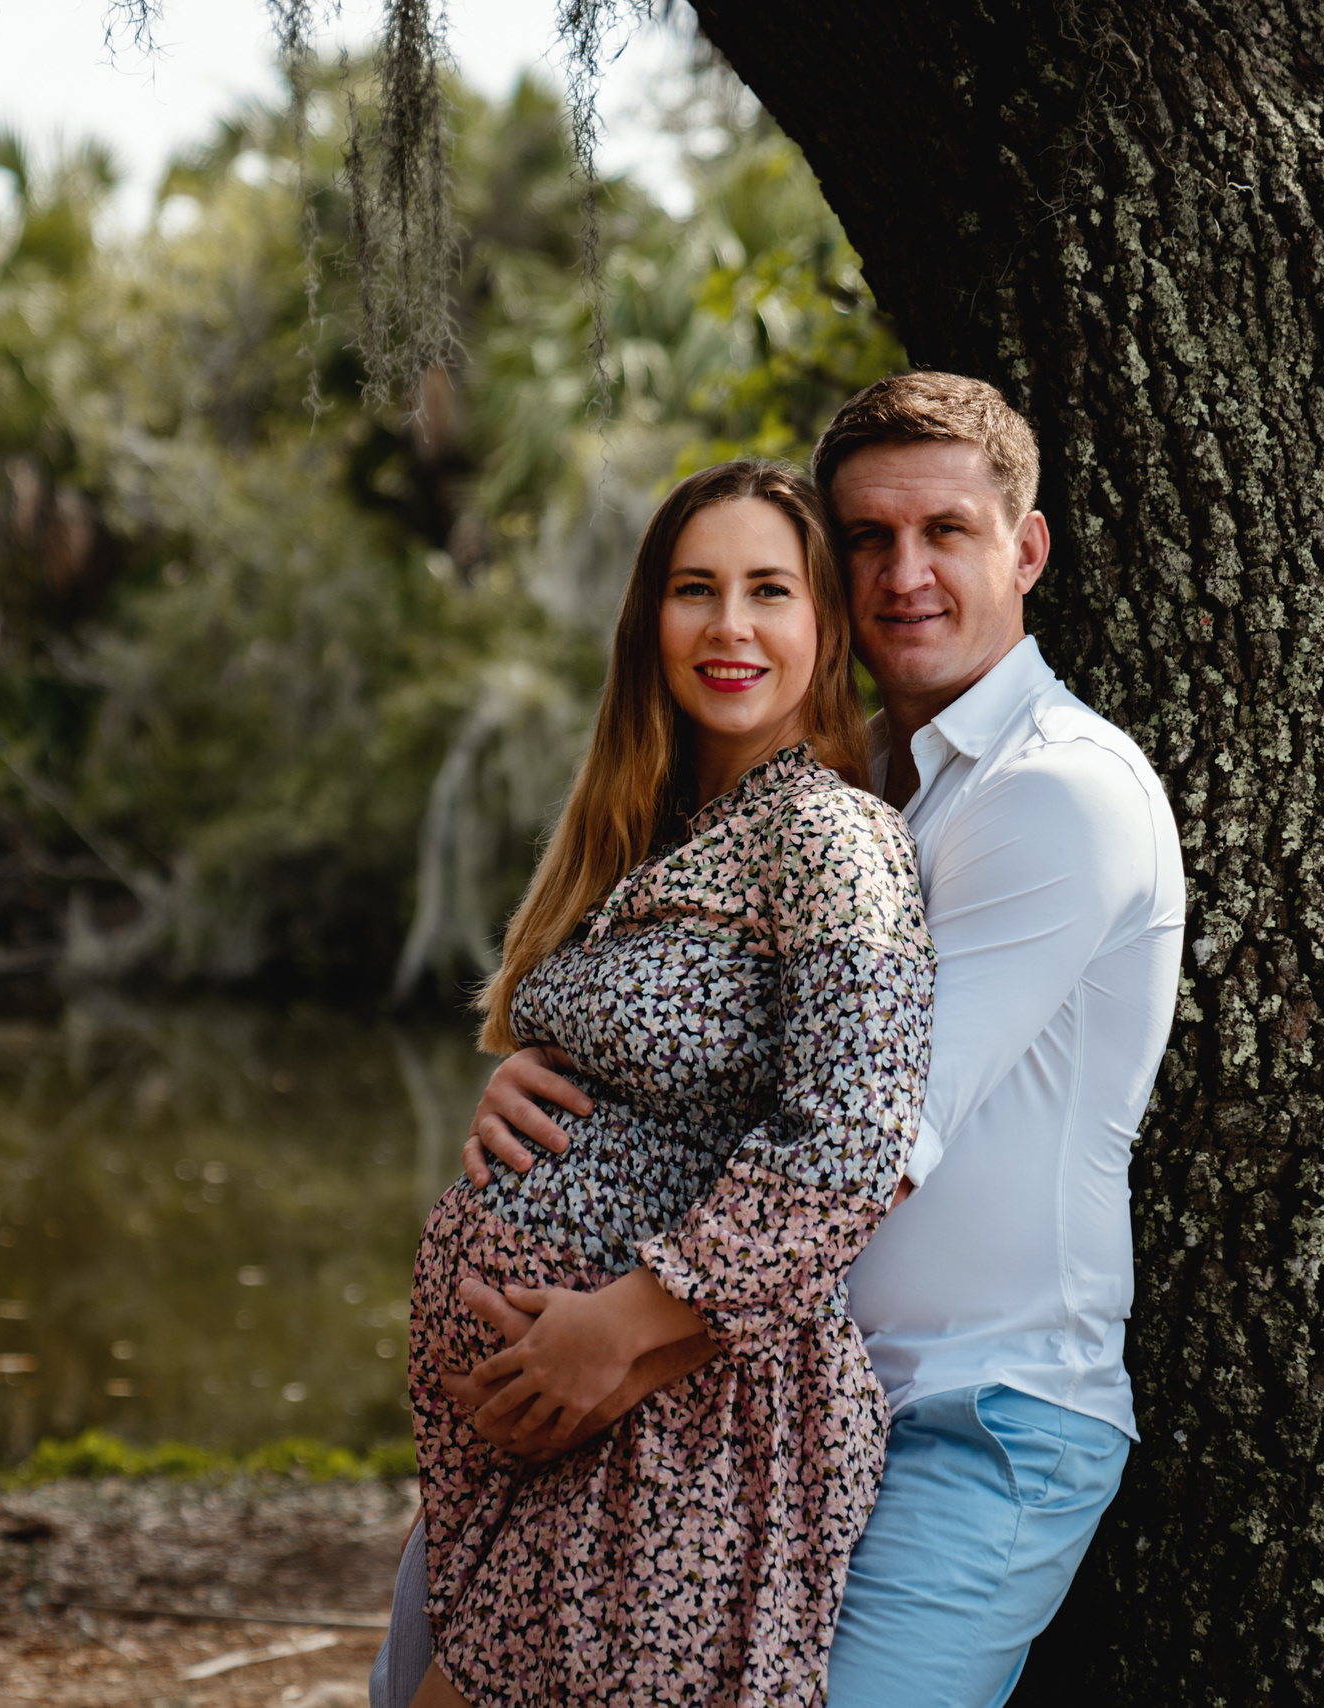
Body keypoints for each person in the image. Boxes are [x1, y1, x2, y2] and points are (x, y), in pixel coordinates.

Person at [380, 374, 1186, 1708]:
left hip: (966, 1413)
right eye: (868, 537)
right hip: (735, 1387)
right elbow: (735, 1071)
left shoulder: (1058, 796)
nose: (904, 573)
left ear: (1026, 551)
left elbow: (872, 1143)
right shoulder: (855, 779)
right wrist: (554, 1087)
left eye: (947, 533)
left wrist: (615, 1340)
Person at [396, 459, 939, 1708]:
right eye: (696, 589)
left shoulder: (831, 835)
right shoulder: (665, 831)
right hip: (581, 1420)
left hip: (691, 1419)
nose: (730, 626)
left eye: (769, 590)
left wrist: (626, 1325)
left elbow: (851, 1146)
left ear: (826, 626)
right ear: (650, 619)